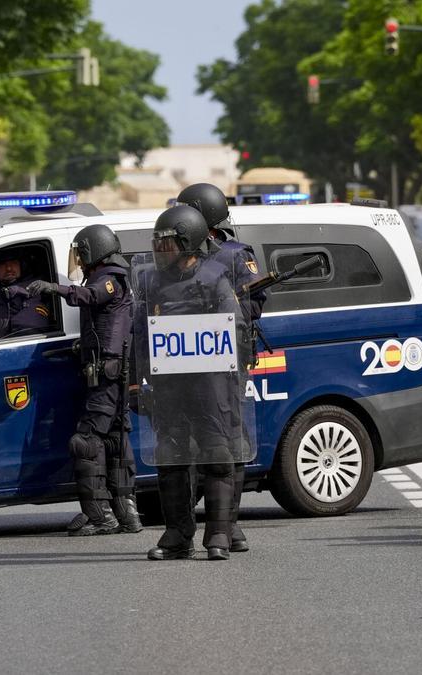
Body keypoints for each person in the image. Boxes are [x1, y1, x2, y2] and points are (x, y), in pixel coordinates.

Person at [135, 205, 246, 561]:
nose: (160, 249)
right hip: (169, 387)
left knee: (217, 455)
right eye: (158, 243)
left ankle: (219, 534)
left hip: (210, 386)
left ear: (190, 243)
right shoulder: (151, 281)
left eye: (167, 243)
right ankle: (177, 534)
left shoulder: (215, 278)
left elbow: (237, 327)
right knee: (171, 459)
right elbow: (139, 335)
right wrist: (137, 382)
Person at [27, 225, 140, 536]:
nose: (78, 259)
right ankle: (126, 514)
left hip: (107, 375)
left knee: (86, 440)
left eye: (81, 252)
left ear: (93, 251)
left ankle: (100, 515)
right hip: (110, 372)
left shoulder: (109, 280)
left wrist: (55, 289)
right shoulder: (113, 277)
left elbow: (88, 296)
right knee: (115, 440)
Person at [176, 182, 266, 553]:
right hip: (186, 364)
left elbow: (254, 305)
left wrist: (221, 318)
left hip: (225, 362)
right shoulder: (180, 256)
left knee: (228, 440)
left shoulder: (233, 255)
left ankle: (229, 526)